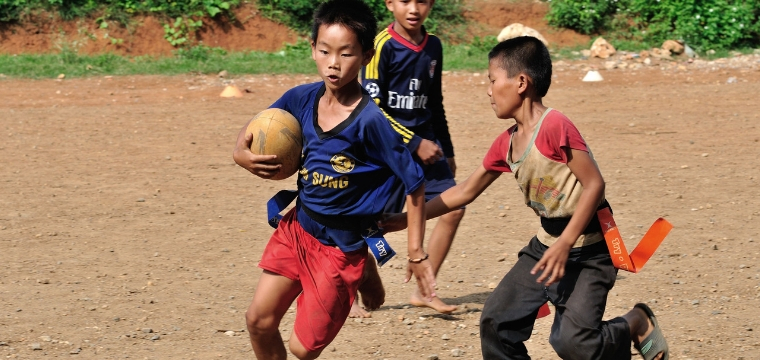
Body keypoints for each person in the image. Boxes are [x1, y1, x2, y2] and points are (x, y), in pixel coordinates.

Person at [382, 36, 669, 360]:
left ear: (521, 82)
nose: (489, 90)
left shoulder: (554, 126)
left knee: (573, 343)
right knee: (496, 322)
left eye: (493, 80)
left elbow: (594, 185)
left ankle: (634, 321)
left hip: (590, 249)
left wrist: (566, 244)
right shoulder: (506, 143)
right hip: (546, 245)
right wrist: (404, 220)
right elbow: (464, 192)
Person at [232, 1, 437, 358]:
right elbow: (255, 127)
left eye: (346, 53)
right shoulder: (300, 98)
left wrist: (416, 251)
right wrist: (240, 154)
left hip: (340, 250)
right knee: (258, 321)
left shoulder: (370, 121)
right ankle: (365, 267)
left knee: (302, 349)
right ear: (312, 48)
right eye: (325, 51)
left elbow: (415, 182)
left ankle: (365, 267)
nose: (333, 63)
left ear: (366, 55)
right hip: (298, 228)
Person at [353, 0, 463, 316]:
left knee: (455, 208)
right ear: (389, 3)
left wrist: (448, 148)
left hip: (428, 145)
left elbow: (436, 102)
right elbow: (370, 108)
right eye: (405, 1)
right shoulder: (379, 45)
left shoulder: (435, 47)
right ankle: (347, 291)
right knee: (368, 223)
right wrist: (414, 142)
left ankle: (426, 291)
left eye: (423, 1)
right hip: (386, 147)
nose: (414, 8)